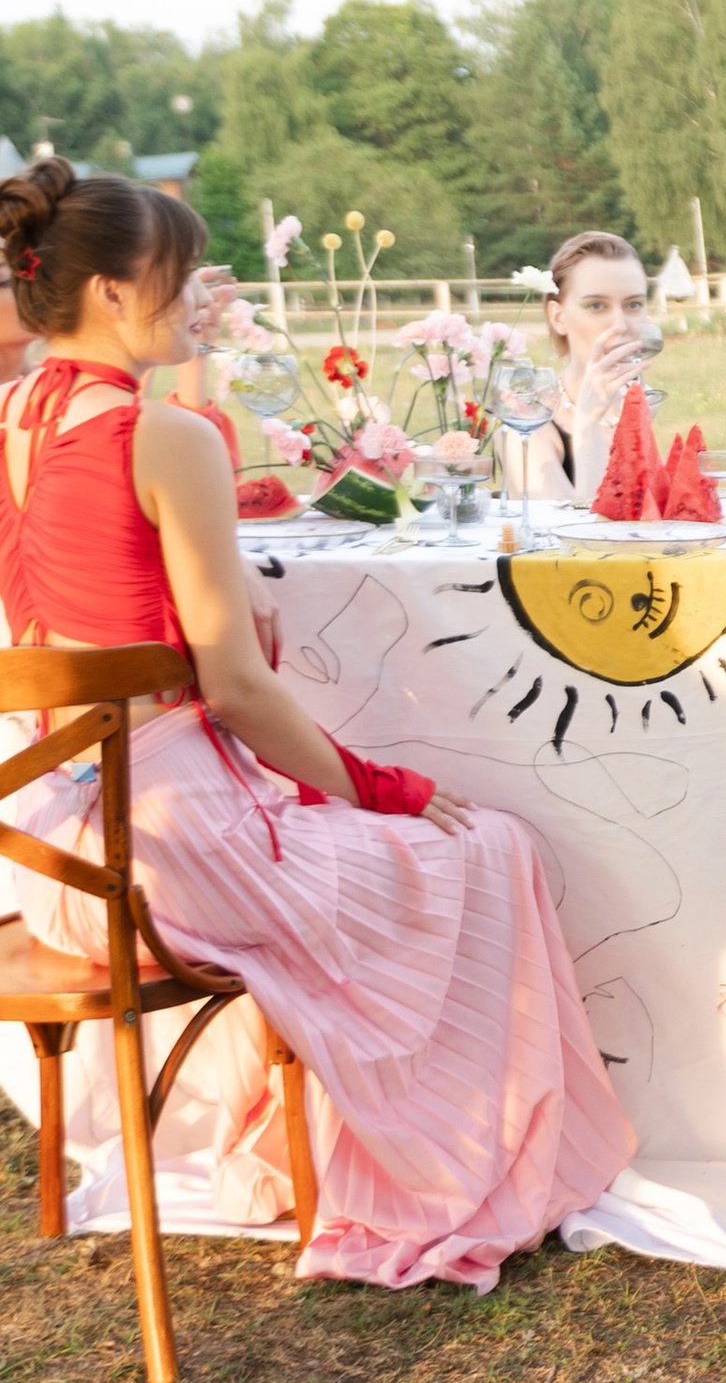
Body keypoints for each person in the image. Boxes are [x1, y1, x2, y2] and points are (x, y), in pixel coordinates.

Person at [0, 158, 631, 1285]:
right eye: (182, 278)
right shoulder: (165, 437)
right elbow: (237, 688)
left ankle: (329, 1133)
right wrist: (387, 788)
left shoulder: (15, 413)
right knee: (488, 847)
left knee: (398, 849)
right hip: (161, 850)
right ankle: (452, 1162)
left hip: (50, 844)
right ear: (111, 291)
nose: (200, 299)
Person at [512, 230, 654, 503]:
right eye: (597, 305)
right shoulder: (526, 421)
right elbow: (573, 534)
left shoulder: (637, 403)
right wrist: (588, 423)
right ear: (558, 317)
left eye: (633, 304)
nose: (621, 325)